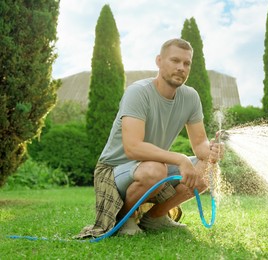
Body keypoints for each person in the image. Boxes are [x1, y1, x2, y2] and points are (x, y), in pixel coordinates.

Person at [76, 38, 224, 238]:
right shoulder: (138, 92)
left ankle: (155, 218)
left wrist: (212, 150)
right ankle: (123, 219)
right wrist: (180, 159)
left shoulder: (190, 97)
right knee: (155, 169)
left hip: (153, 165)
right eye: (175, 61)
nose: (181, 67)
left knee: (208, 169)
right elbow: (133, 148)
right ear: (159, 61)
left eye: (186, 63)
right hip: (114, 169)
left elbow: (200, 145)